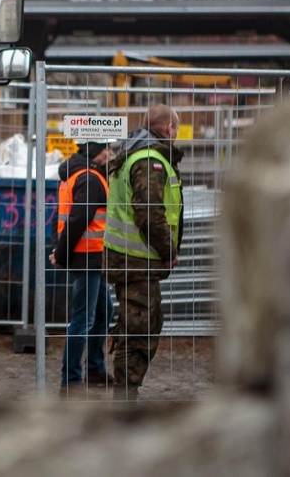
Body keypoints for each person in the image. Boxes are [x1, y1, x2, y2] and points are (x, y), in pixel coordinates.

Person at [104, 103, 184, 402]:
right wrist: (169, 251)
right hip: (138, 260)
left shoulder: (135, 153)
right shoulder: (150, 160)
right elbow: (149, 213)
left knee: (140, 326)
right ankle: (125, 400)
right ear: (168, 129)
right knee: (139, 332)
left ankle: (126, 394)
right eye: (176, 129)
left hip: (130, 260)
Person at [51, 138, 115, 398]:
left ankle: (95, 369)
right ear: (95, 152)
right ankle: (72, 380)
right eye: (107, 149)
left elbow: (61, 216)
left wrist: (59, 249)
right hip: (87, 256)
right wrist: (62, 254)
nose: (111, 153)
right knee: (83, 318)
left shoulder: (76, 174)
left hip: (89, 257)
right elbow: (77, 219)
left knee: (104, 311)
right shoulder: (89, 178)